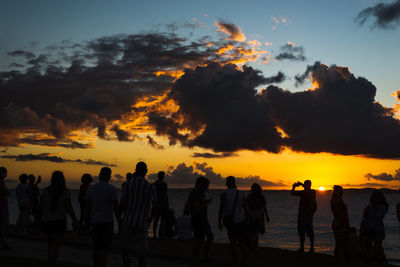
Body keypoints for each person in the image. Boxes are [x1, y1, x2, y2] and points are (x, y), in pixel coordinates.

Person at [120, 162, 157, 267]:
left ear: (136, 171)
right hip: (142, 221)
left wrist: (120, 217)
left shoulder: (127, 185)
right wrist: (150, 220)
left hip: (127, 220)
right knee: (142, 251)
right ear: (146, 172)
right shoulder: (150, 187)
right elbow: (155, 205)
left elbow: (122, 203)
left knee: (125, 248)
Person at [38, 171, 78, 266]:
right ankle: (53, 263)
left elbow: (40, 208)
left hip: (47, 222)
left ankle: (51, 262)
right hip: (59, 222)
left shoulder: (45, 191)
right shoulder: (65, 192)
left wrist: (37, 221)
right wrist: (75, 220)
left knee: (50, 246)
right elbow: (69, 208)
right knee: (55, 247)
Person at [85, 167, 120, 267]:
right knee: (105, 248)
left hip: (95, 221)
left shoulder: (91, 189)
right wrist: (120, 221)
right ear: (109, 177)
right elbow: (116, 207)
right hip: (107, 222)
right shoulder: (112, 189)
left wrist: (87, 222)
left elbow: (86, 207)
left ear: (100, 175)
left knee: (96, 248)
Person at [218, 176, 247, 267]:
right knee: (241, 241)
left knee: (233, 242)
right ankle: (244, 260)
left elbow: (221, 209)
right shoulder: (241, 193)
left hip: (230, 221)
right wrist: (247, 219)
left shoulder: (224, 194)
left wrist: (219, 221)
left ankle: (235, 262)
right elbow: (245, 208)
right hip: (240, 220)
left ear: (227, 183)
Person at [186, 176, 213, 267]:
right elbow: (197, 208)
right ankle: (196, 261)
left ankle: (200, 258)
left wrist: (204, 202)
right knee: (199, 241)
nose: (207, 188)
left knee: (205, 238)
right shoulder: (197, 193)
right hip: (199, 220)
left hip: (201, 219)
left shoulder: (198, 193)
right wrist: (205, 203)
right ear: (201, 185)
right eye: (206, 186)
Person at [362, 189, 389, 266]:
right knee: (371, 247)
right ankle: (373, 262)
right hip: (373, 228)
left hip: (374, 229)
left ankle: (377, 262)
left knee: (374, 247)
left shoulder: (380, 207)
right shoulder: (376, 207)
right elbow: (366, 216)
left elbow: (375, 216)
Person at [291, 180, 317, 253]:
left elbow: (307, 192)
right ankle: (303, 248)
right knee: (303, 231)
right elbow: (292, 193)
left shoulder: (312, 192)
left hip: (307, 215)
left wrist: (299, 185)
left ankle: (310, 248)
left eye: (306, 184)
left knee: (308, 231)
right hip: (304, 214)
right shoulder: (306, 192)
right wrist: (294, 187)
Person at [246, 183, 270, 250]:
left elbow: (246, 207)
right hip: (259, 214)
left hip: (252, 214)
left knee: (252, 230)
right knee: (256, 231)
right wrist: (267, 216)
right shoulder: (261, 197)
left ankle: (253, 245)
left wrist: (246, 215)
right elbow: (264, 207)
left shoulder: (249, 196)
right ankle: (255, 245)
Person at [330, 185, 349, 266]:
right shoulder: (335, 200)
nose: (339, 192)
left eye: (339, 191)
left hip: (342, 223)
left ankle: (339, 260)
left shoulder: (338, 200)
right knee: (340, 243)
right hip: (339, 224)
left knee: (342, 243)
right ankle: (338, 260)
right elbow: (338, 212)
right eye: (337, 191)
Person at [149, 171, 169, 238]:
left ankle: (156, 234)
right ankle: (157, 234)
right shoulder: (160, 184)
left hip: (159, 204)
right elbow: (165, 195)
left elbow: (165, 195)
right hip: (160, 204)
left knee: (158, 219)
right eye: (163, 175)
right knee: (159, 219)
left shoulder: (156, 184)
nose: (163, 177)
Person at [0, 167, 11, 250]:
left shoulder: (2, 183)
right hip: (2, 207)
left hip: (3, 206)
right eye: (4, 172)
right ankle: (2, 242)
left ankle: (3, 242)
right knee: (2, 225)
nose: (5, 174)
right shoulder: (1, 183)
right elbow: (6, 192)